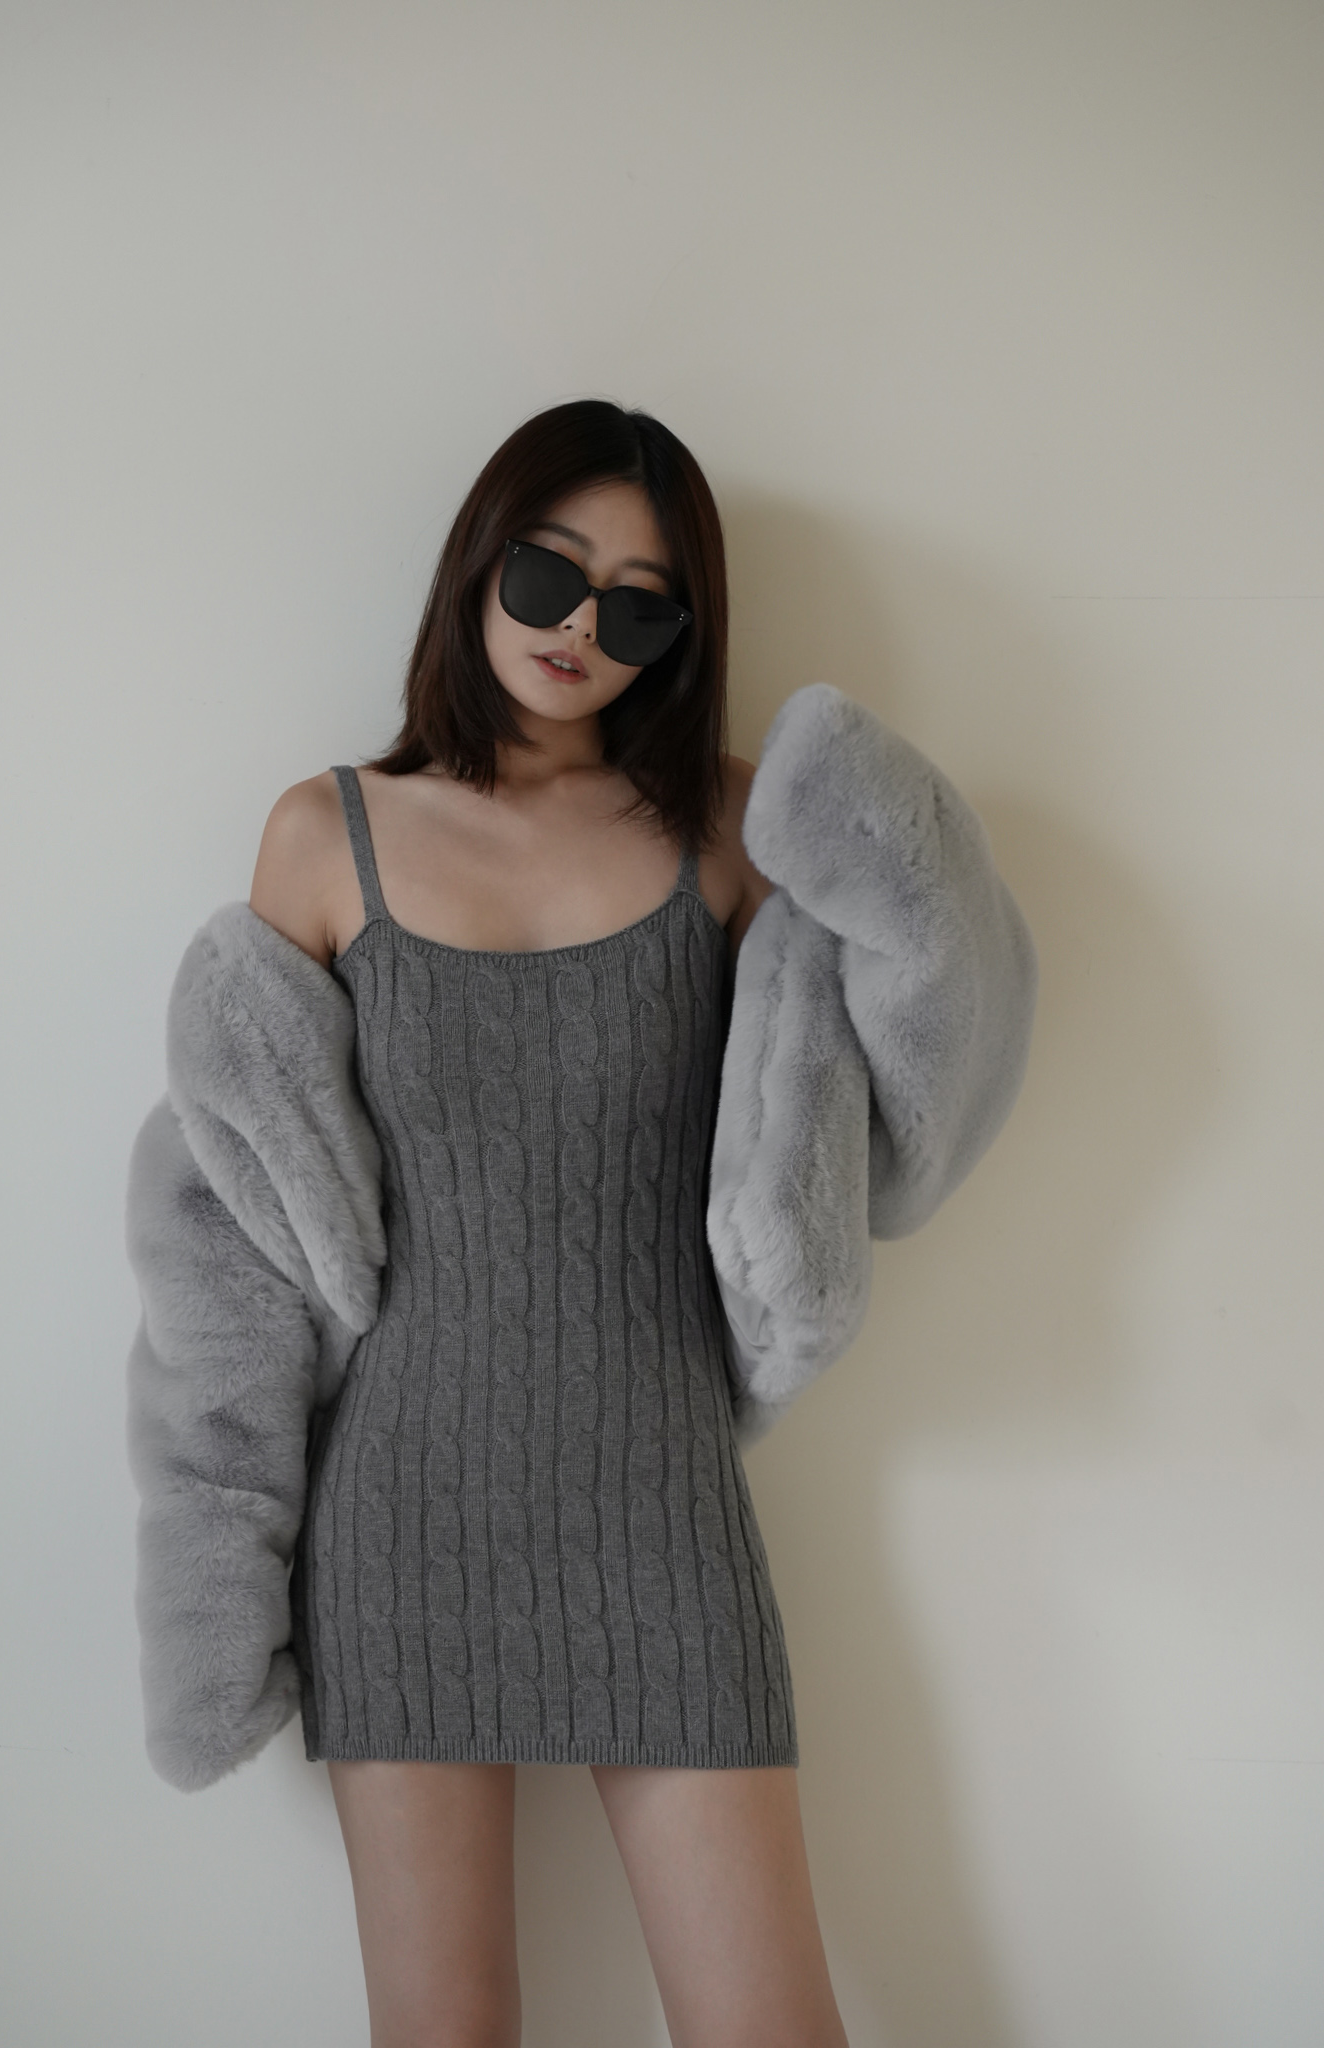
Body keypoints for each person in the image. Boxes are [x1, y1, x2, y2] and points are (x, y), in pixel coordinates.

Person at [245, 399, 850, 2045]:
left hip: (661, 1495)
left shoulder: (735, 833)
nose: (582, 626)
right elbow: (249, 1234)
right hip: (403, 1511)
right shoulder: (322, 837)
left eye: (641, 605)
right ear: (480, 560)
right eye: (550, 572)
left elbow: (877, 1096)